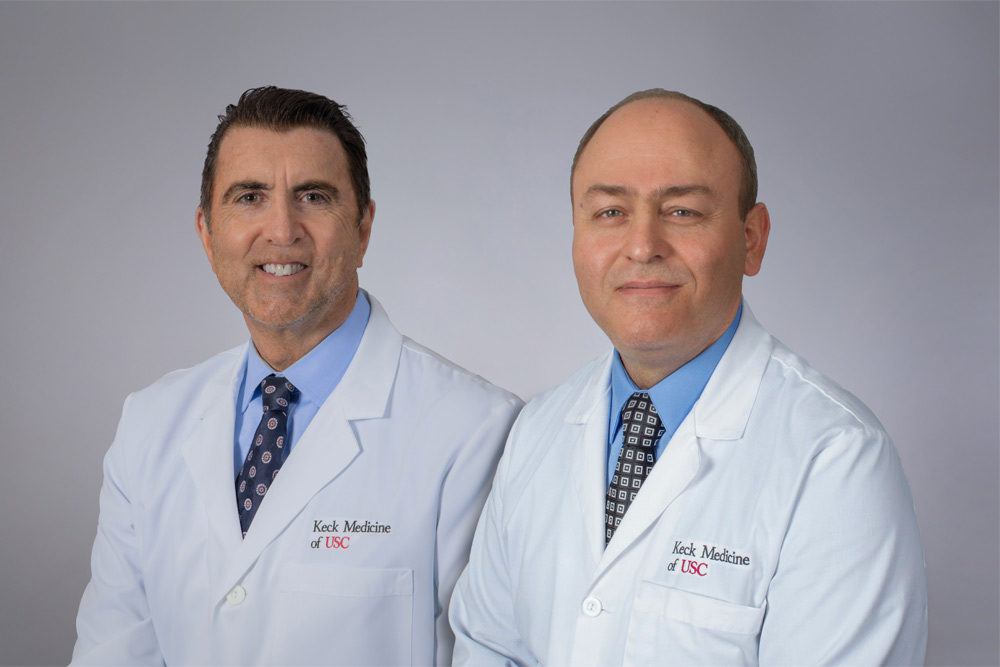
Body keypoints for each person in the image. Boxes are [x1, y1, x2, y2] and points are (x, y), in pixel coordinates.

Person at [450, 89, 927, 665]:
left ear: (751, 239)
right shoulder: (537, 430)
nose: (643, 245)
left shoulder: (836, 459)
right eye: (610, 212)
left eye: (683, 211)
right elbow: (490, 648)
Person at [72, 86, 522, 666]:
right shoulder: (150, 423)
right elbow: (113, 654)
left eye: (313, 196)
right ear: (208, 235)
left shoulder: (478, 432)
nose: (281, 231)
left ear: (362, 228)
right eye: (249, 197)